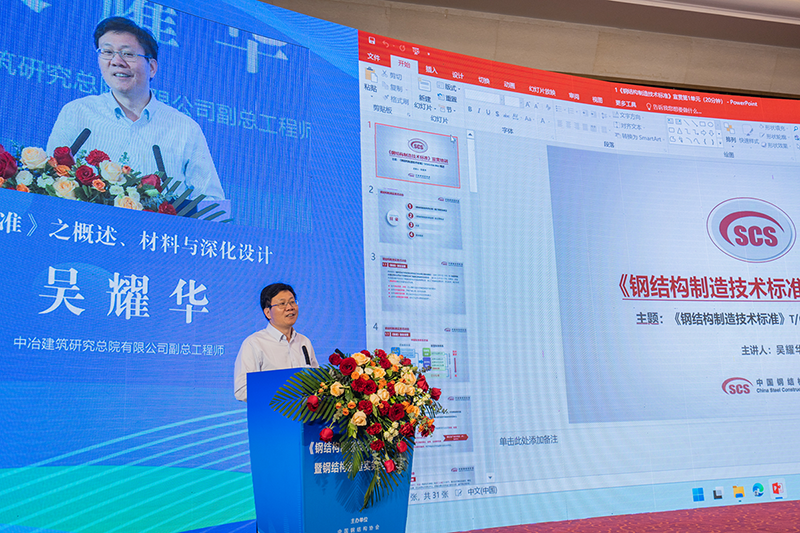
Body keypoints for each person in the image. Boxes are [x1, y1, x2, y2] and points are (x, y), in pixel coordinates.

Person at [46, 17, 225, 200]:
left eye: (128, 54)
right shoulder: (77, 112)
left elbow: (212, 203)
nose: (116, 61)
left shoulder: (185, 128)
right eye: (107, 52)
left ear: (152, 67)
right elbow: (48, 182)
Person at [233, 283, 318, 402]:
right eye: (282, 304)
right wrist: (282, 392)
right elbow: (241, 390)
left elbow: (316, 381)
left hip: (305, 413)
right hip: (271, 411)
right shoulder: (254, 343)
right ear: (268, 312)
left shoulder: (304, 341)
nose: (290, 307)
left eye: (292, 302)